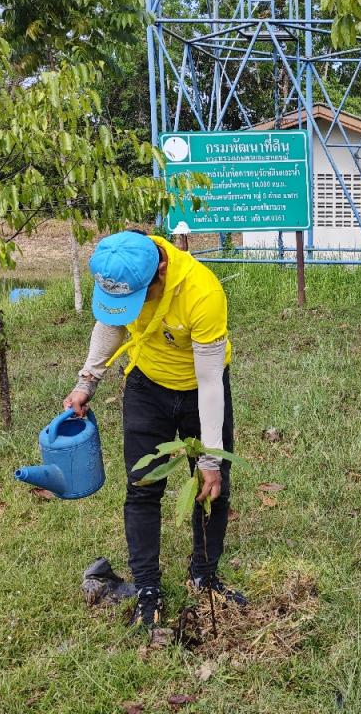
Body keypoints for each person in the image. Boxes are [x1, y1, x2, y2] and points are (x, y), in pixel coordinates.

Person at [62, 229, 245, 631]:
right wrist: (86, 381)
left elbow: (212, 382)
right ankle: (147, 588)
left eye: (138, 296)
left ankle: (204, 574)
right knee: (142, 487)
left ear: (160, 269)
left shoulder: (202, 292)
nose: (132, 306)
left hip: (201, 389)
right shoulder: (125, 269)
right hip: (147, 388)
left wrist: (211, 457)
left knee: (212, 486)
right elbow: (111, 324)